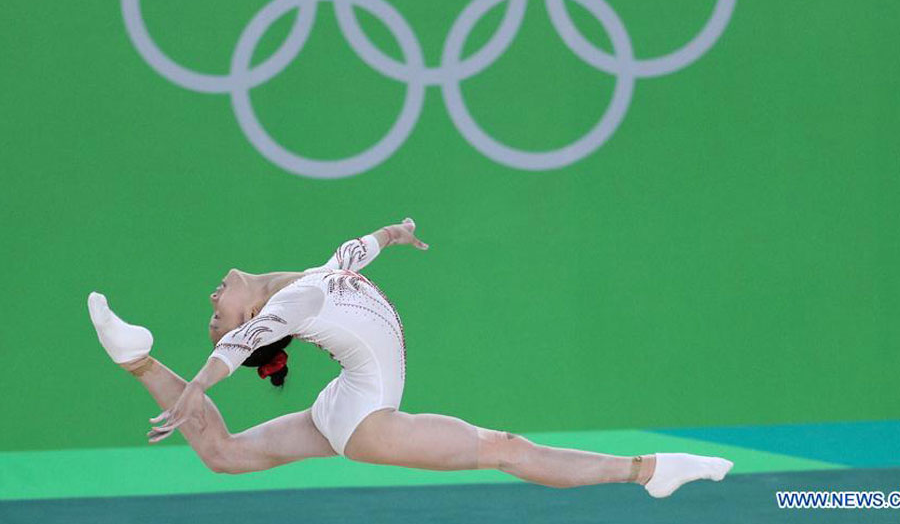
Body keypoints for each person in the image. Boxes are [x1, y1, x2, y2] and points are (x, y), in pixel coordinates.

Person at [88, 218, 732, 498]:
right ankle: (649, 469)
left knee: (223, 455)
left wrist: (388, 236)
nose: (213, 298)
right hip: (368, 421)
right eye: (217, 312)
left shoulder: (315, 277)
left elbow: (351, 254)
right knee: (508, 449)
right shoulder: (292, 304)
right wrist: (200, 381)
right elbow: (239, 346)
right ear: (252, 318)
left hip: (343, 407)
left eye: (212, 309)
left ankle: (135, 359)